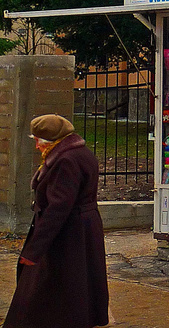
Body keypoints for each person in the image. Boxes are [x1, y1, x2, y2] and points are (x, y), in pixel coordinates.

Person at [3, 114, 110, 328]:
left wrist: (34, 250)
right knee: (77, 281)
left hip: (69, 232)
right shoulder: (80, 153)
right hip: (82, 228)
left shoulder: (65, 161)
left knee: (47, 284)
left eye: (38, 141)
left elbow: (58, 207)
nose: (36, 147)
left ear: (52, 142)